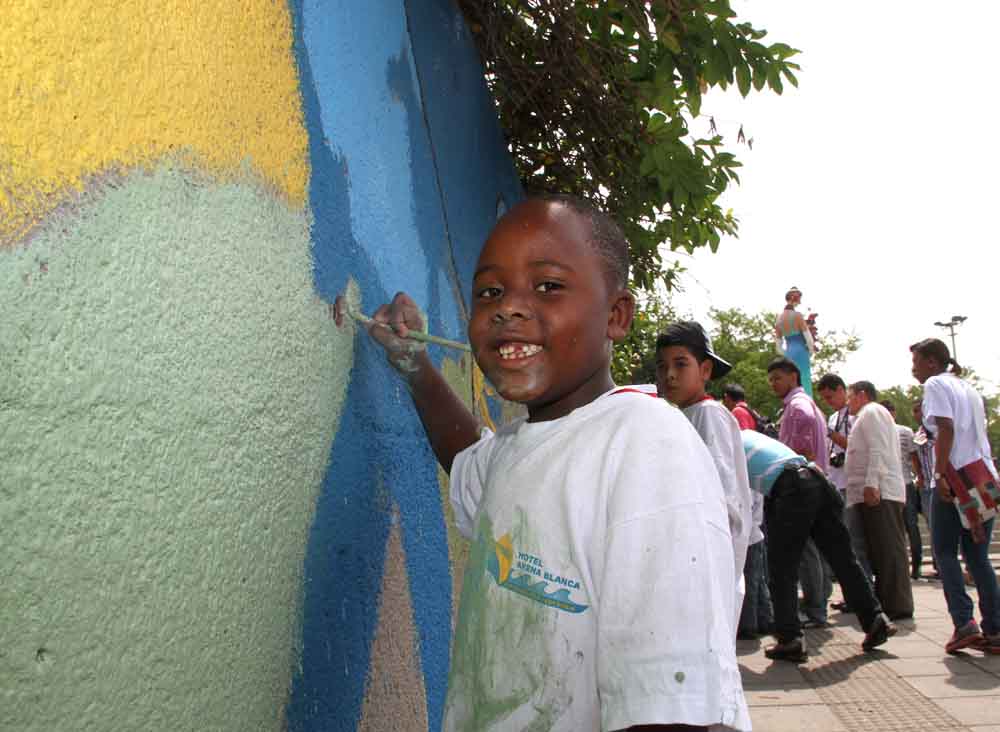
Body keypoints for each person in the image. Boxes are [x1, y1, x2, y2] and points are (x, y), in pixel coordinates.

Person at [358, 195, 751, 730]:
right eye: (489, 292)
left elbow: (669, 704)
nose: (508, 308)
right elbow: (471, 460)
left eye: (547, 286)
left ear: (616, 316)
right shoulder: (519, 447)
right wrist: (414, 364)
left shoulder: (646, 444)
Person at [739, 428, 895, 661]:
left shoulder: (724, 442)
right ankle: (875, 618)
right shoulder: (747, 435)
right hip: (817, 480)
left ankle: (790, 638)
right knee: (843, 559)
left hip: (791, 488)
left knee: (782, 568)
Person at [655, 322, 754, 631]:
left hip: (707, 553)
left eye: (680, 364)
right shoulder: (681, 414)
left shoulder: (708, 414)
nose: (670, 374)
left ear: (705, 370)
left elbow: (721, 494)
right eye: (662, 366)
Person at [911, 338, 1000, 655]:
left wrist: (939, 475)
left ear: (932, 362)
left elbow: (945, 428)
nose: (913, 370)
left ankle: (964, 623)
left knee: (945, 552)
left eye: (916, 362)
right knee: (978, 558)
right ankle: (995, 628)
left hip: (955, 476)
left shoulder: (935, 384)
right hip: (984, 476)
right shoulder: (968, 387)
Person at [767, 357, 832, 628]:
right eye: (771, 380)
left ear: (793, 376)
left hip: (801, 485)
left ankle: (815, 609)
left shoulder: (797, 406)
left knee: (805, 552)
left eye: (777, 378)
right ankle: (818, 604)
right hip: (816, 483)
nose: (773, 384)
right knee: (815, 549)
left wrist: (801, 454)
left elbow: (804, 427)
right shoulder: (807, 403)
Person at [844, 383, 914, 620]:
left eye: (850, 397)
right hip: (874, 493)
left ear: (862, 395)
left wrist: (872, 482)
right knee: (879, 550)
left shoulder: (873, 412)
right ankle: (888, 602)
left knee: (888, 549)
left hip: (882, 492)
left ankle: (898, 605)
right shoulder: (866, 415)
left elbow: (878, 449)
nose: (848, 402)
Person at [817, 372, 870, 611]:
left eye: (830, 397)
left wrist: (830, 434)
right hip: (835, 481)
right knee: (843, 543)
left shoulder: (855, 416)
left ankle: (864, 594)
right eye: (824, 399)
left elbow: (854, 446)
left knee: (855, 542)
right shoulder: (833, 417)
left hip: (852, 483)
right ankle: (853, 595)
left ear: (841, 390)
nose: (828, 402)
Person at [881, 400, 922, 579]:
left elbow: (914, 458)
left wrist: (920, 477)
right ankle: (913, 566)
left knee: (904, 527)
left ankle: (912, 566)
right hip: (899, 483)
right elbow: (914, 458)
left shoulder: (903, 432)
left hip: (899, 483)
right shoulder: (904, 431)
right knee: (909, 526)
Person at [912, 401, 938, 577]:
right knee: (933, 526)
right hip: (927, 486)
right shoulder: (918, 434)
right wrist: (919, 476)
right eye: (914, 411)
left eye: (919, 410)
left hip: (941, 483)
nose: (917, 414)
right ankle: (938, 564)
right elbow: (915, 458)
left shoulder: (939, 430)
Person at [774, 286, 815, 397]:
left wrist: (786, 353)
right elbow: (809, 338)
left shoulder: (778, 319)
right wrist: (810, 351)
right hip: (801, 351)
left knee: (791, 381)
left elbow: (778, 347)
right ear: (794, 298)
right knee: (804, 379)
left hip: (788, 353)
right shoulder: (797, 316)